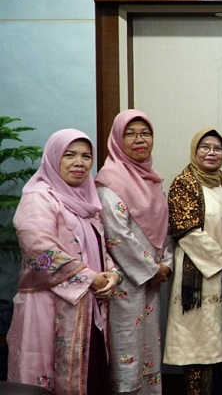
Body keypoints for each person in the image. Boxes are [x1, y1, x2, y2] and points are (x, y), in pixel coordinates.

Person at [7, 129, 120, 395]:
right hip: (48, 308)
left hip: (88, 309)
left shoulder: (87, 203)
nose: (79, 162)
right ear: (53, 157)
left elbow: (100, 249)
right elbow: (39, 250)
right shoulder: (39, 198)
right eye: (69, 155)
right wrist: (90, 278)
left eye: (86, 156)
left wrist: (113, 274)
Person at [95, 109, 173, 394]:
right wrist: (151, 270)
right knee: (126, 346)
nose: (140, 139)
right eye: (130, 134)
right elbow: (118, 236)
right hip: (124, 282)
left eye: (145, 133)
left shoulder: (153, 180)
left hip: (154, 279)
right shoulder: (109, 182)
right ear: (117, 139)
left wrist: (165, 264)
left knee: (149, 346)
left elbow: (166, 230)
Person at [164, 128, 222, 395]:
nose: (211, 152)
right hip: (196, 278)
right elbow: (186, 231)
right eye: (205, 147)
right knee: (198, 344)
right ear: (195, 150)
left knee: (217, 342)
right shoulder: (185, 182)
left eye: (217, 148)